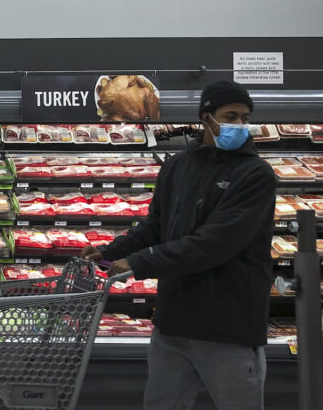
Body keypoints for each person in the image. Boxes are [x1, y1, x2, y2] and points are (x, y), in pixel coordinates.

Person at [81, 80, 276, 410]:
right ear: (206, 118)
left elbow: (213, 244)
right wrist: (111, 251)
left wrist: (141, 262)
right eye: (230, 116)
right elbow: (157, 226)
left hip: (228, 329)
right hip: (174, 326)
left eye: (245, 118)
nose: (240, 125)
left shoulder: (256, 175)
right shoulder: (178, 166)